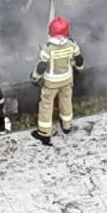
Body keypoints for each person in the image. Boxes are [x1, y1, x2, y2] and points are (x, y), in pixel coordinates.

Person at [30, 16, 83, 145]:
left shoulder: (47, 48)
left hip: (51, 83)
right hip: (67, 80)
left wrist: (35, 77)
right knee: (66, 102)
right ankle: (67, 126)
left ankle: (44, 133)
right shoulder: (72, 44)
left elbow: (42, 66)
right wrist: (79, 69)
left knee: (46, 106)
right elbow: (79, 59)